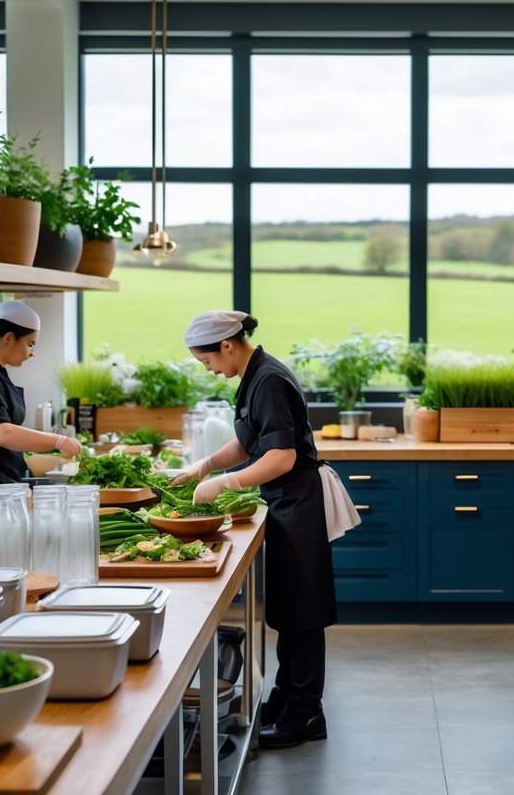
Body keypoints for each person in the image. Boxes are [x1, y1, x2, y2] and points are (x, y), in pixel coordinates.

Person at [174, 309, 336, 750]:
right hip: (284, 504)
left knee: (302, 613)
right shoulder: (254, 377)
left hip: (298, 503)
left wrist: (226, 482)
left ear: (227, 345)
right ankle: (287, 699)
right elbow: (249, 442)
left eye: (206, 361)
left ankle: (305, 715)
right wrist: (205, 465)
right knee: (288, 609)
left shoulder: (267, 380)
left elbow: (280, 457)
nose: (208, 369)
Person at [0, 299, 81, 498]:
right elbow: (3, 434)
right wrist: (58, 440)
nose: (32, 353)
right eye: (30, 344)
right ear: (9, 338)